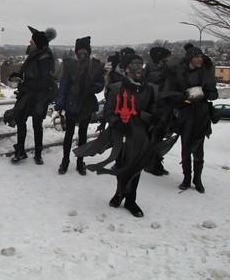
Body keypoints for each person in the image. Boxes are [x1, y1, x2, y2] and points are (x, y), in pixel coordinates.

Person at [75, 54, 158, 218]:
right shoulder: (116, 88)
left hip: (141, 133)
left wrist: (151, 118)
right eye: (134, 65)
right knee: (121, 164)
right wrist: (117, 123)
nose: (138, 69)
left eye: (140, 65)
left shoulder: (150, 89)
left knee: (136, 166)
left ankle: (131, 200)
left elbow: (154, 109)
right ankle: (119, 193)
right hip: (122, 133)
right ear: (126, 69)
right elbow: (109, 111)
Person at [169, 43, 218, 193]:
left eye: (201, 56)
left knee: (198, 150)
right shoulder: (181, 73)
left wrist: (204, 94)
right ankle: (186, 178)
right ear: (190, 58)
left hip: (202, 114)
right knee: (185, 149)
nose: (200, 59)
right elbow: (172, 93)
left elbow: (214, 94)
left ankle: (198, 179)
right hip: (186, 114)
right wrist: (182, 97)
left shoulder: (205, 73)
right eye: (197, 56)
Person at [7, 26, 57, 165]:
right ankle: (21, 151)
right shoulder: (34, 54)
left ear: (37, 44)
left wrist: (26, 85)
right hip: (27, 94)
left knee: (37, 124)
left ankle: (38, 153)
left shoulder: (44, 58)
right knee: (21, 120)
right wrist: (17, 75)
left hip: (39, 97)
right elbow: (27, 72)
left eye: (32, 42)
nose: (30, 43)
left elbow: (45, 82)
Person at [55, 36, 105, 175]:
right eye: (80, 50)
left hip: (86, 104)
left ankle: (80, 161)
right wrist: (60, 102)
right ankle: (65, 161)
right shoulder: (70, 65)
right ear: (76, 52)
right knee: (69, 135)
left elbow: (101, 83)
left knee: (82, 135)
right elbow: (64, 85)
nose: (82, 52)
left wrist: (94, 87)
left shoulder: (95, 66)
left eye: (85, 50)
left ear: (88, 51)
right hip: (71, 103)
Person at [144, 46, 174, 176]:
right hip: (155, 110)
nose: (168, 60)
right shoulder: (151, 72)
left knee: (160, 138)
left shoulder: (167, 71)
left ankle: (157, 161)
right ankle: (150, 164)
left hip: (165, 110)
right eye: (165, 58)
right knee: (153, 138)